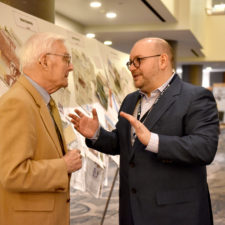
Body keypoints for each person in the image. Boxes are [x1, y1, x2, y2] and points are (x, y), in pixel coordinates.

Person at [69, 38, 219, 225]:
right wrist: (96, 134)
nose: (131, 68)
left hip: (176, 213)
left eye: (138, 60)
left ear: (162, 60)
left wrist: (153, 141)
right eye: (130, 62)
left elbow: (204, 148)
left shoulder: (195, 97)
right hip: (132, 210)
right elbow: (122, 143)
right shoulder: (131, 101)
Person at [0, 32, 82, 225]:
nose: (70, 67)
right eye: (66, 59)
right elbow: (12, 174)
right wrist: (64, 165)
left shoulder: (42, 101)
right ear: (44, 61)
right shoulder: (18, 103)